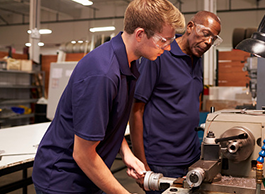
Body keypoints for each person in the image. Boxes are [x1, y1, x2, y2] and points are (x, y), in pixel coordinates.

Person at [32, 0, 185, 193]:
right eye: (163, 41)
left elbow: (108, 119)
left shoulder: (129, 63)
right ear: (139, 34)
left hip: (87, 175)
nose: (168, 48)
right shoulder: (103, 73)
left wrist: (126, 152)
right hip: (62, 179)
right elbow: (83, 154)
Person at [130, 11, 222, 192]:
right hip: (162, 161)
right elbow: (136, 110)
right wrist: (141, 165)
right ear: (190, 27)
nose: (209, 42)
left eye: (214, 39)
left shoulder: (197, 59)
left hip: (192, 157)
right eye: (206, 34)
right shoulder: (159, 55)